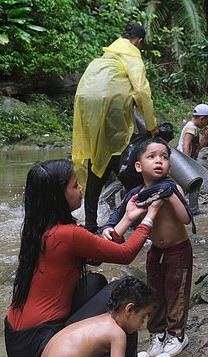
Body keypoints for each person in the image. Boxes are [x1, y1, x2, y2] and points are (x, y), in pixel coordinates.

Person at [4, 159, 167, 357]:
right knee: (125, 293)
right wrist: (149, 217)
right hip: (40, 350)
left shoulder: (36, 229)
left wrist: (127, 219)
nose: (81, 188)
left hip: (15, 344)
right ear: (56, 197)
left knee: (94, 283)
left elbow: (96, 256)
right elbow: (127, 254)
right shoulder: (68, 234)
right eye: (74, 186)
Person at [102, 138, 194, 357]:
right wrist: (108, 227)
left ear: (170, 166)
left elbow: (185, 219)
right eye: (151, 157)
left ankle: (177, 333)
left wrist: (170, 195)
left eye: (164, 157)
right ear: (138, 166)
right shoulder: (136, 193)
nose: (158, 161)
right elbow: (119, 213)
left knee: (176, 291)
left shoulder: (173, 188)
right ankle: (157, 332)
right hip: (156, 251)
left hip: (178, 250)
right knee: (154, 291)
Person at [72, 21, 160, 233]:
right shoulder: (132, 55)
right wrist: (152, 126)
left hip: (87, 106)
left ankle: (91, 224)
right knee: (124, 166)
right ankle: (139, 221)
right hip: (111, 110)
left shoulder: (105, 57)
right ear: (139, 41)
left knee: (96, 164)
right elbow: (141, 92)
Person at [38, 276, 174, 357]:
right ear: (129, 309)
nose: (142, 323)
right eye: (143, 316)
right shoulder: (117, 334)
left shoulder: (105, 318)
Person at [176, 103, 208, 214]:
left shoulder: (192, 127)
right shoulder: (191, 128)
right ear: (202, 118)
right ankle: (192, 209)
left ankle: (180, 207)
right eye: (207, 121)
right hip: (183, 161)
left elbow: (195, 147)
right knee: (194, 183)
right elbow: (186, 144)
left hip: (183, 160)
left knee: (186, 186)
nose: (207, 124)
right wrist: (187, 163)